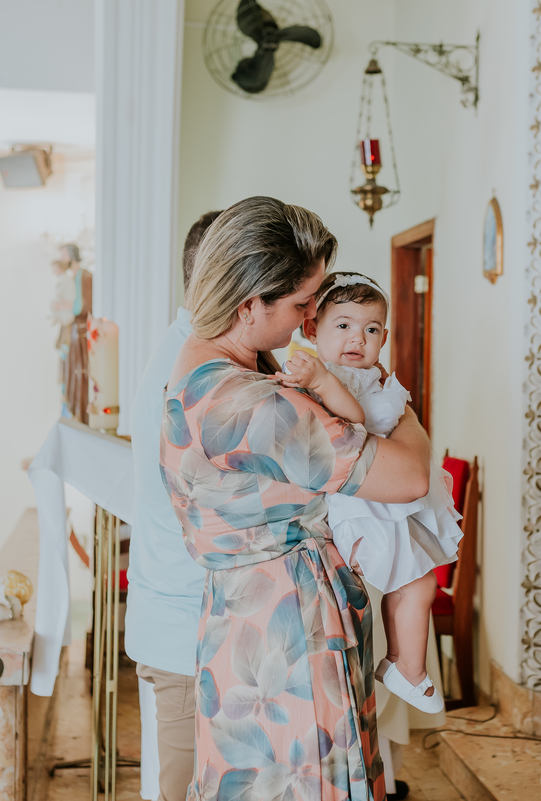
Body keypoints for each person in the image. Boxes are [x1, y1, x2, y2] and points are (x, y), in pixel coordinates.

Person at [162, 197, 431, 801]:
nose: (310, 317)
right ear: (249, 303)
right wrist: (400, 404)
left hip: (253, 627)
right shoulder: (247, 405)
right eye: (301, 304)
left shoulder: (209, 365)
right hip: (286, 645)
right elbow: (411, 475)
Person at [277, 271, 461, 714]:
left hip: (380, 504)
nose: (357, 337)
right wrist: (321, 380)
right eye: (343, 325)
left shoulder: (362, 375)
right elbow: (355, 418)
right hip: (358, 507)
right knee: (415, 586)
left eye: (372, 329)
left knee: (415, 586)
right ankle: (406, 669)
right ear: (311, 329)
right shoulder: (320, 375)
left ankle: (401, 664)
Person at [126, 209, 223, 801]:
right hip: (185, 626)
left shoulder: (191, 353)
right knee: (183, 791)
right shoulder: (190, 371)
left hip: (191, 618)